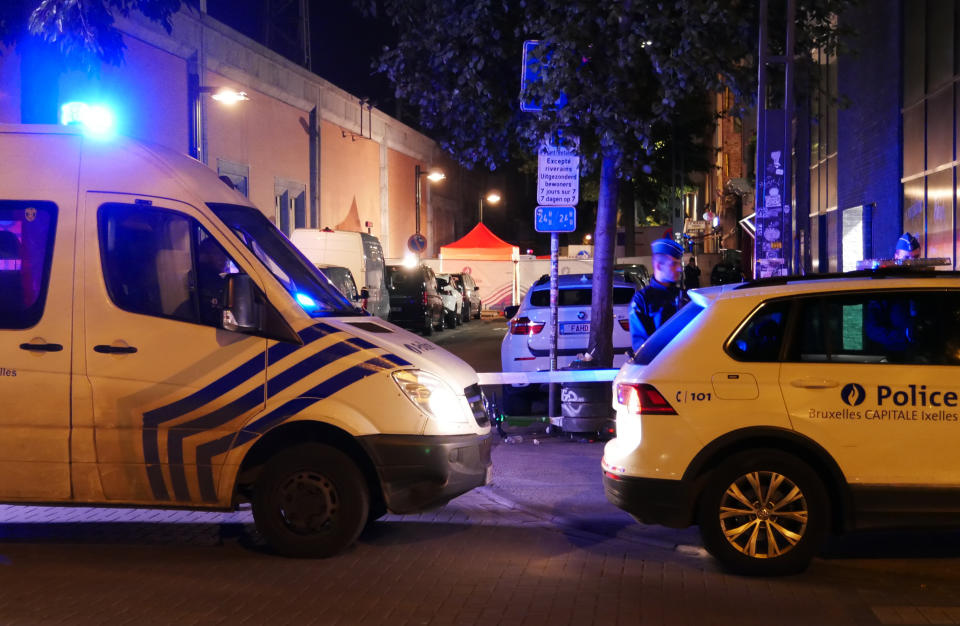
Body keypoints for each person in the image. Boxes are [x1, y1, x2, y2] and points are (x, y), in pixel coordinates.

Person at [629, 238, 689, 351]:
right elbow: (643, 348)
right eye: (674, 264)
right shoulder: (642, 300)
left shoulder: (685, 296)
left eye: (679, 264)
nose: (679, 269)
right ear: (659, 266)